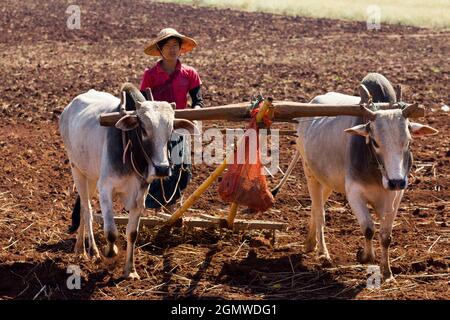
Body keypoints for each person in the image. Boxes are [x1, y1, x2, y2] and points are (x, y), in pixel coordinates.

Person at [140, 28, 204, 211]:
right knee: (158, 166)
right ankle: (152, 207)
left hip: (179, 125)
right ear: (160, 50)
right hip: (157, 129)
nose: (172, 49)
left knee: (182, 168)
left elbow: (198, 99)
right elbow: (145, 103)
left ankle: (172, 204)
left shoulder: (190, 73)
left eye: (175, 45)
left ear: (180, 48)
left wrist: (197, 112)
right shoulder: (150, 75)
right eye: (167, 46)